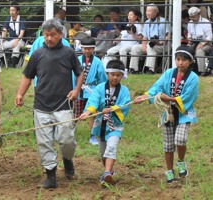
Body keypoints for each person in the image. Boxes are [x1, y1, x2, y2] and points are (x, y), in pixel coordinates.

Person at [14, 19, 84, 189]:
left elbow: (80, 73)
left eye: (53, 35)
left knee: (67, 139)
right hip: (41, 105)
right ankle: (51, 175)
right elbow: (27, 76)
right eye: (46, 35)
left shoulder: (69, 53)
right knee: (44, 142)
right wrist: (20, 94)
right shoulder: (37, 54)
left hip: (64, 104)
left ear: (60, 34)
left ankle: (67, 159)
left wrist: (76, 90)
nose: (49, 38)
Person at [134, 45, 199, 183]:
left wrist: (168, 99)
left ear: (191, 61)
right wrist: (145, 96)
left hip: (183, 113)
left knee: (180, 139)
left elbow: (188, 97)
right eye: (178, 59)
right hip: (168, 112)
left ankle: (181, 161)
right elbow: (157, 87)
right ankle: (169, 171)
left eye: (184, 60)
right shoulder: (169, 73)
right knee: (168, 145)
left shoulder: (193, 78)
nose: (180, 62)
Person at [79, 59, 131, 185]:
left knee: (111, 147)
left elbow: (125, 105)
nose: (115, 78)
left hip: (115, 125)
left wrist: (112, 109)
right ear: (107, 74)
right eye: (112, 74)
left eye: (118, 75)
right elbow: (93, 101)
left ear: (122, 76)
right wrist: (88, 112)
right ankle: (109, 172)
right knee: (103, 152)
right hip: (100, 124)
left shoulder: (124, 91)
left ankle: (106, 173)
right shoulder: (99, 88)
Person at [73, 36, 107, 145]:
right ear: (81, 48)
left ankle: (93, 135)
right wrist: (73, 89)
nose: (86, 51)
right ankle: (70, 134)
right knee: (75, 114)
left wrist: (101, 92)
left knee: (93, 114)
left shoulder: (97, 62)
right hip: (79, 90)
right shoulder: (77, 60)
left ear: (93, 49)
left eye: (89, 48)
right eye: (84, 48)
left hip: (92, 91)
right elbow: (72, 76)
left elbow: (102, 78)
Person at [129, 4, 169, 74]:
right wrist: (144, 45)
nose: (147, 13)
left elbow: (168, 36)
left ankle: (150, 69)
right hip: (150, 44)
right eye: (146, 11)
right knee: (135, 48)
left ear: (155, 12)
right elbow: (145, 37)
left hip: (162, 45)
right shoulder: (147, 22)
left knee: (151, 48)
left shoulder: (163, 21)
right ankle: (134, 69)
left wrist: (161, 42)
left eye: (149, 11)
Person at [0, 2, 26, 68]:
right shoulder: (8, 19)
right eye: (10, 10)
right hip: (10, 40)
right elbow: (4, 30)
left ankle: (13, 65)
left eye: (13, 10)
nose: (11, 12)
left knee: (16, 47)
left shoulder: (22, 20)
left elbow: (21, 34)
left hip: (20, 40)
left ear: (17, 11)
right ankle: (4, 62)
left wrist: (16, 41)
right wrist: (1, 41)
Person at [187, 7, 212, 76]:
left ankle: (202, 71)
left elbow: (210, 36)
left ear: (199, 14)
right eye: (191, 17)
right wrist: (189, 39)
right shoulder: (190, 23)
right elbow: (189, 35)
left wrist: (202, 43)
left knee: (199, 51)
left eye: (194, 17)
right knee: (186, 50)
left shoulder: (206, 22)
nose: (192, 19)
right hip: (194, 42)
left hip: (206, 43)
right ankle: (188, 70)